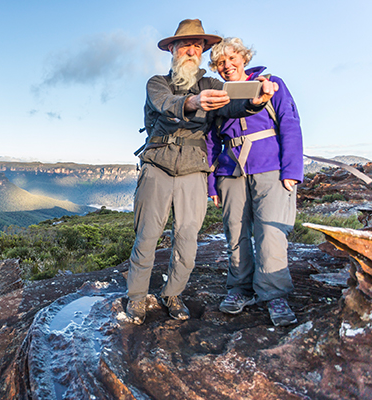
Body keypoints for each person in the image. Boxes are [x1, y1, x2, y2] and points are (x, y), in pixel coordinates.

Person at [126, 19, 278, 325]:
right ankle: (137, 298)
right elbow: (165, 104)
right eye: (185, 45)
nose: (192, 50)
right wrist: (193, 102)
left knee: (187, 239)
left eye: (198, 46)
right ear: (172, 49)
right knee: (147, 236)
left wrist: (254, 102)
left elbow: (231, 106)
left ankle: (173, 294)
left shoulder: (211, 85)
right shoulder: (157, 83)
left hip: (195, 169)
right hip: (157, 166)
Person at [207, 37, 303, 326]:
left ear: (244, 59)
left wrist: (291, 171)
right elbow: (211, 141)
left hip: (270, 166)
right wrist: (212, 184)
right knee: (235, 233)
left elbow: (289, 123)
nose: (227, 66)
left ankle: (274, 295)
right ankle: (240, 290)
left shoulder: (271, 84)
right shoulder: (216, 94)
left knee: (271, 233)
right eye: (220, 62)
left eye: (232, 59)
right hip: (230, 172)